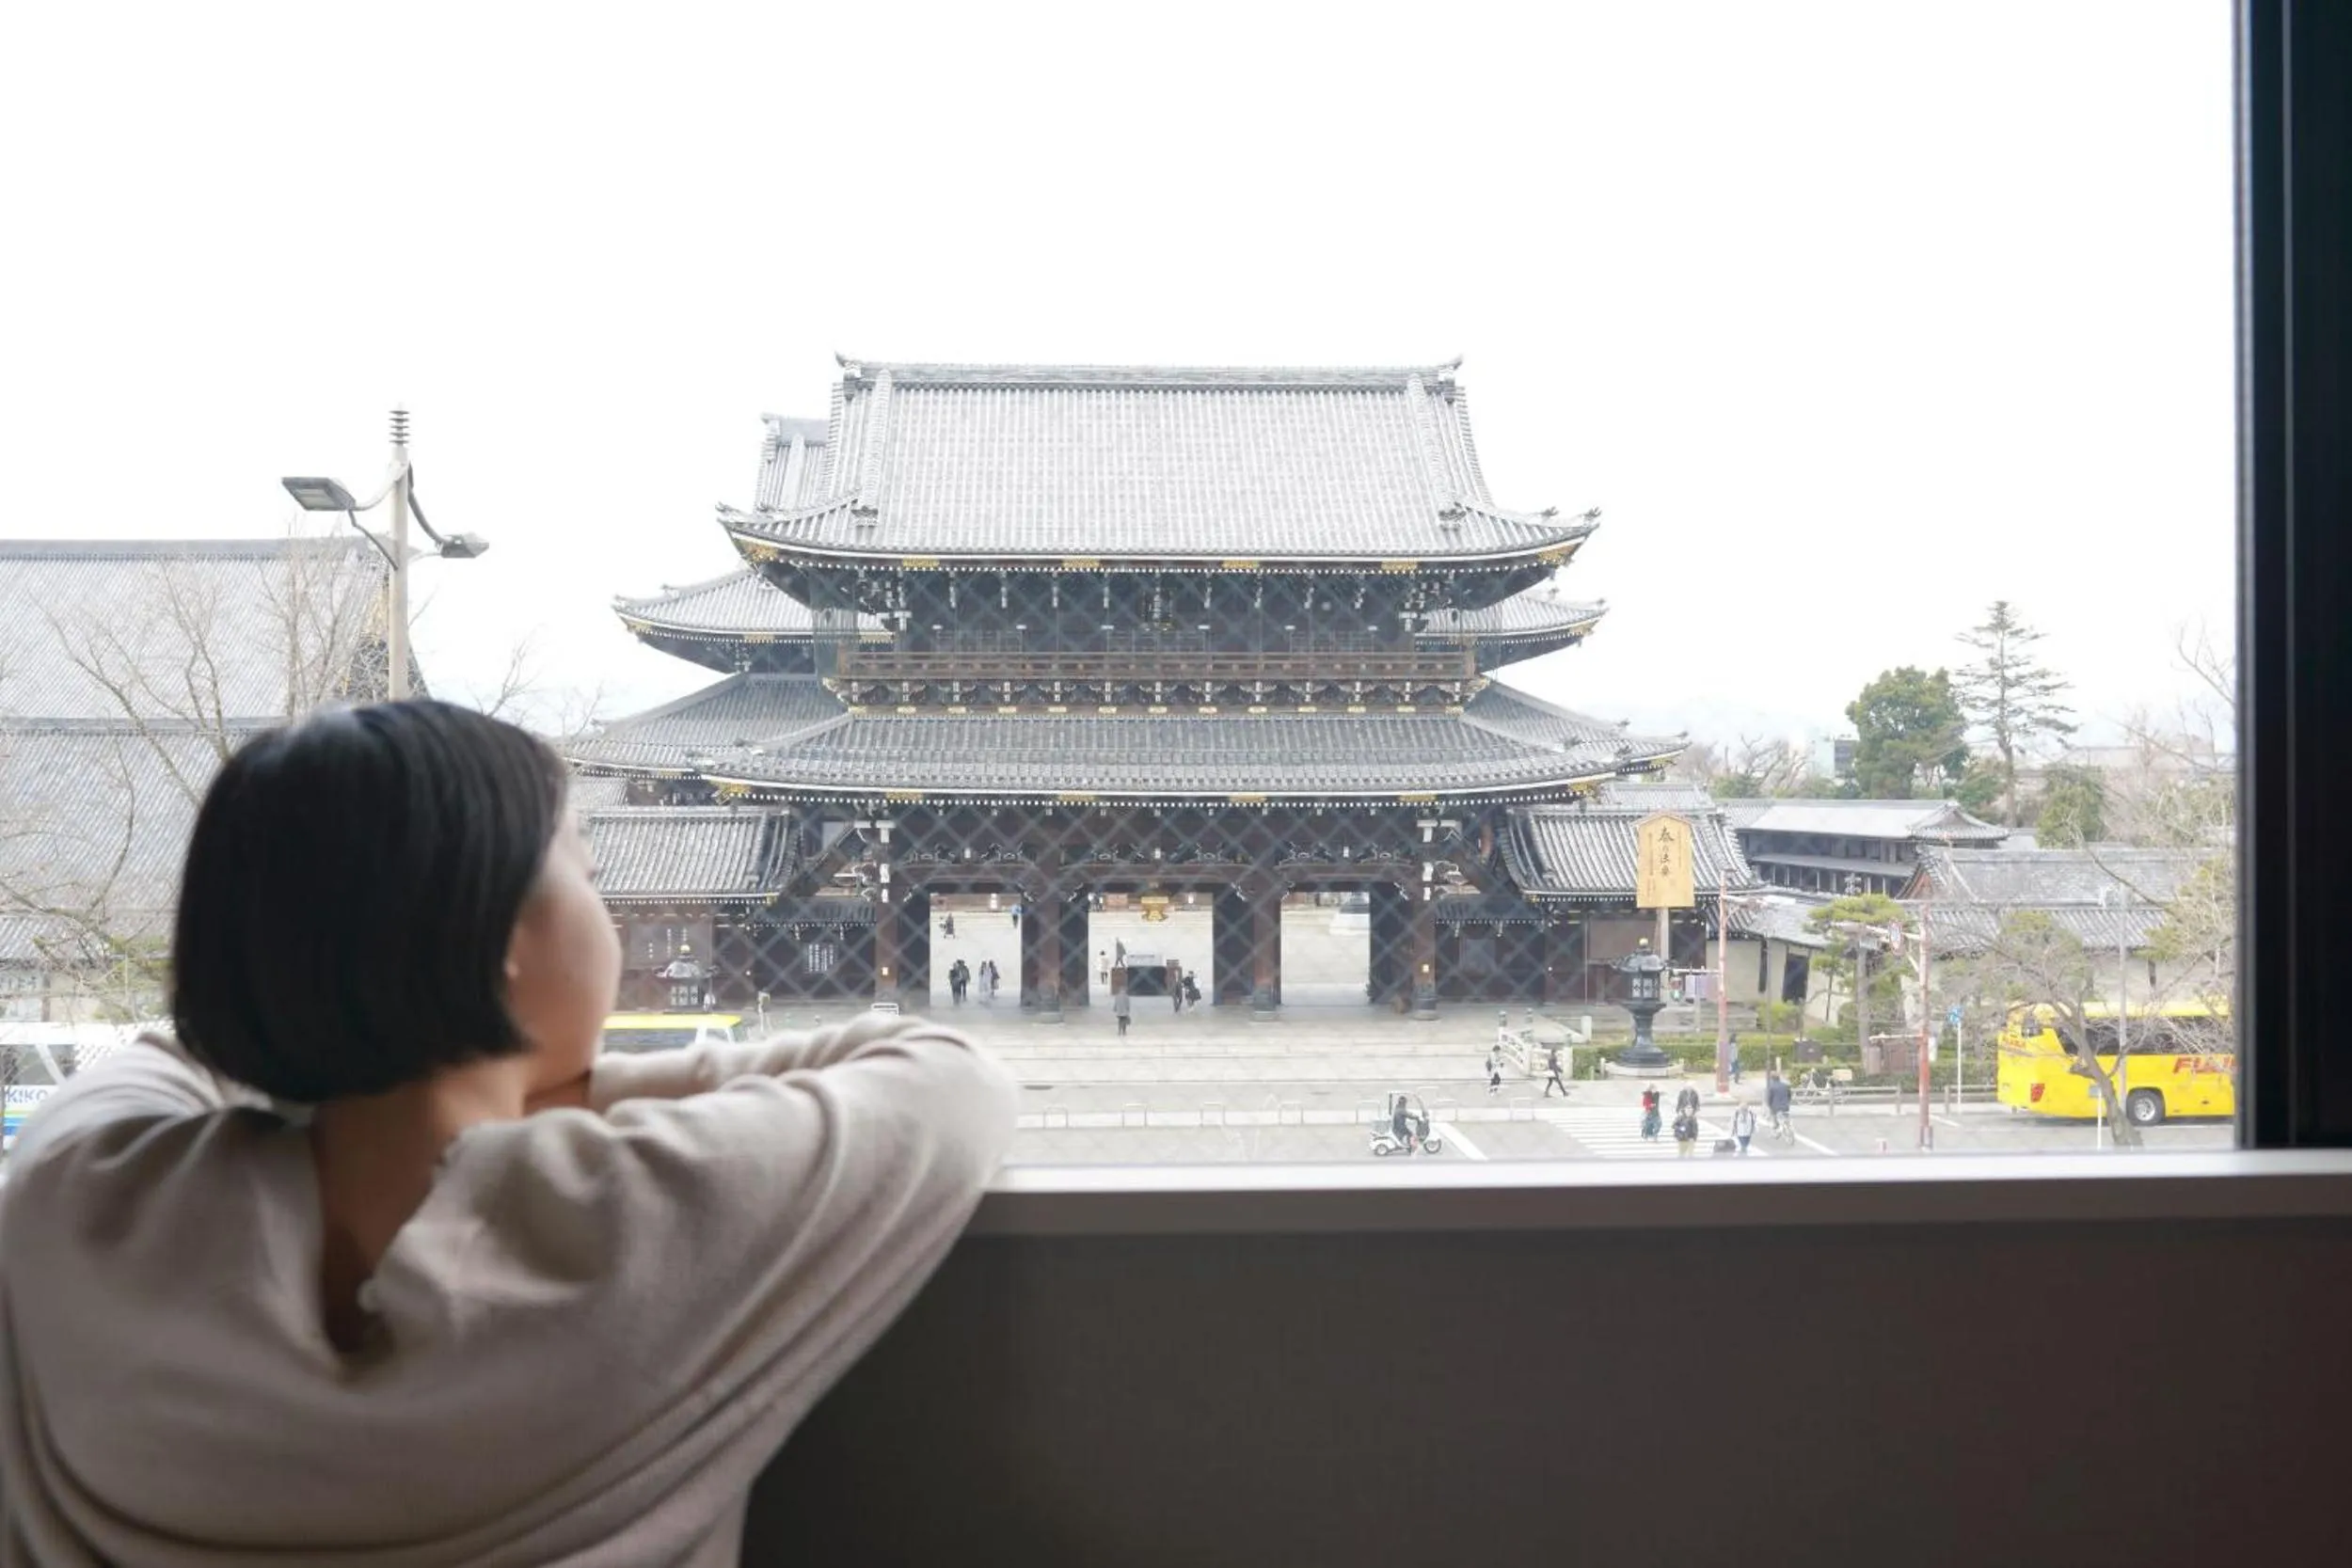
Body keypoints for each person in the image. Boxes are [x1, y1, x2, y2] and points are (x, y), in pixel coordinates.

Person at [0, 700, 1016, 1565]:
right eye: (585, 861)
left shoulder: (81, 1199)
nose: (609, 904)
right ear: (500, 939)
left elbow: (174, 1049)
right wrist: (553, 1085)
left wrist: (379, 1016)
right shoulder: (642, 1216)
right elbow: (941, 1076)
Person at [1766, 1069, 1793, 1136]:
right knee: (1786, 1116)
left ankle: (1776, 1128)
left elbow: (1769, 1098)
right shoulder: (1785, 1085)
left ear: (1772, 1079)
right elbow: (1789, 1095)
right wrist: (1788, 1102)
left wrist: (1769, 1105)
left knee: (1774, 1116)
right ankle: (1786, 1125)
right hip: (1786, 1106)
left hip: (1776, 1107)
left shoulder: (1771, 1087)